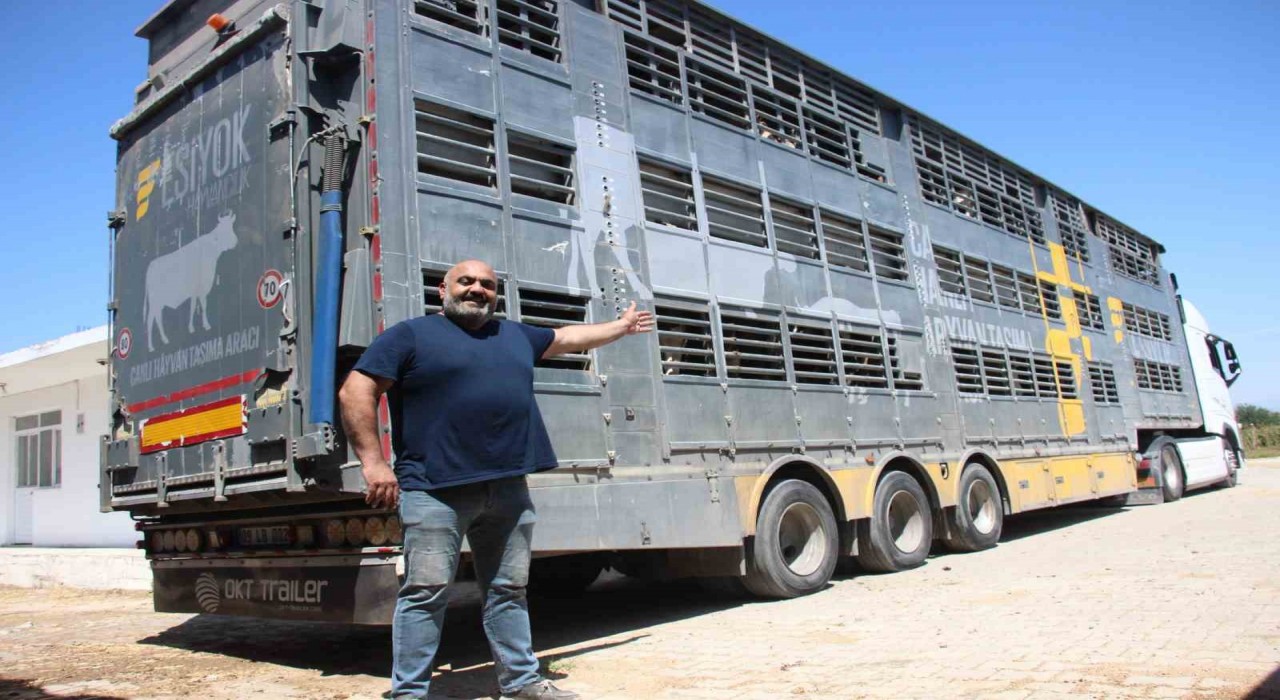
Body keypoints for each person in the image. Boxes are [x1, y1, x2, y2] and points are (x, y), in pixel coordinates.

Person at [338, 259, 654, 700]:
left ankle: (520, 683)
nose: (477, 289)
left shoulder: (513, 335)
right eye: (465, 281)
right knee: (425, 593)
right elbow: (356, 389)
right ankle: (408, 694)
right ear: (442, 290)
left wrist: (620, 327)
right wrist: (374, 463)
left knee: (508, 590)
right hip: (435, 491)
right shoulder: (411, 335)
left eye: (487, 284)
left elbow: (567, 337)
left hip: (508, 488)